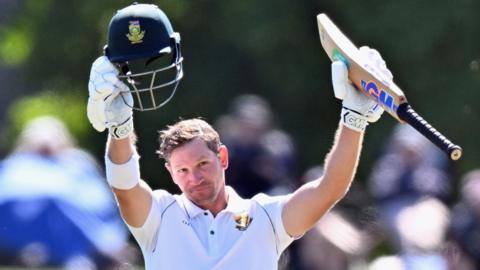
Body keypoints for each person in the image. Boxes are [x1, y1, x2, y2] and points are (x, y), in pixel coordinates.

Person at [86, 3, 391, 269]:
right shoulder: (160, 217)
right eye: (183, 170)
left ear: (222, 157)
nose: (194, 178)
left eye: (202, 164)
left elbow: (329, 189)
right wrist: (120, 126)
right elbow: (124, 187)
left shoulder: (264, 217)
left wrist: (354, 118)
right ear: (171, 174)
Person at [0, 116, 129, 269]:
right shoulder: (17, 164)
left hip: (78, 223)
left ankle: (88, 253)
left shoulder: (78, 163)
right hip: (22, 226)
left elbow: (99, 199)